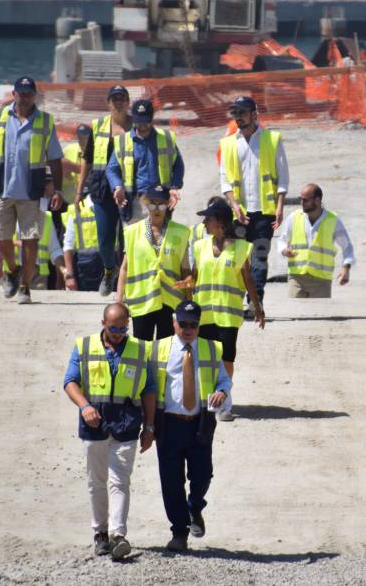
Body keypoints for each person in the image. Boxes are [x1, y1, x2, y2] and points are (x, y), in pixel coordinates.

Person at [63, 302, 156, 560]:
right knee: (96, 482)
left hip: (126, 423)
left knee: (120, 481)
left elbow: (149, 390)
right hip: (95, 423)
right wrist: (84, 406)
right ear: (103, 323)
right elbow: (70, 382)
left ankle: (118, 535)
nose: (118, 333)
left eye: (123, 328)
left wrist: (150, 427)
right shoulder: (83, 347)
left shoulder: (140, 350)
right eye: (113, 327)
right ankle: (100, 534)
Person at [0, 76, 64, 304]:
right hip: (2, 189)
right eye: (20, 93)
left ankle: (25, 286)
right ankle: (12, 270)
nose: (24, 97)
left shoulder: (44, 122)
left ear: (35, 96)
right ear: (13, 94)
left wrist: (58, 191)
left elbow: (55, 159)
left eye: (28, 93)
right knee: (1, 236)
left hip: (31, 192)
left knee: (30, 239)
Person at [150, 300, 231, 552]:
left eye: (193, 325)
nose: (187, 329)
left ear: (199, 325)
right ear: (174, 323)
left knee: (203, 473)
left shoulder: (210, 349)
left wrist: (221, 391)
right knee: (171, 481)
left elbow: (224, 380)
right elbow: (147, 387)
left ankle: (195, 506)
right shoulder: (157, 349)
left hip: (200, 424)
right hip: (169, 424)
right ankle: (179, 532)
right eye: (183, 324)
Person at [176, 198, 264, 422]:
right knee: (204, 358)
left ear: (222, 223)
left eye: (209, 219)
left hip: (228, 314)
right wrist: (186, 286)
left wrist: (257, 306)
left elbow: (248, 279)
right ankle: (205, 401)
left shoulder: (242, 248)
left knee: (225, 359)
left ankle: (224, 402)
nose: (204, 223)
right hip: (204, 314)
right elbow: (194, 276)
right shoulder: (200, 246)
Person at [218, 96, 289, 315]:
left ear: (254, 114)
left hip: (264, 213)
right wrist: (234, 204)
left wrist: (279, 207)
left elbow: (283, 176)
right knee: (238, 258)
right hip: (238, 214)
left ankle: (255, 301)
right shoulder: (228, 144)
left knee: (259, 257)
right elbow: (225, 180)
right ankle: (236, 300)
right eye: (235, 113)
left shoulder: (272, 139)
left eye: (242, 112)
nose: (238, 117)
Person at [76, 86, 133, 297]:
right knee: (105, 239)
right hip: (101, 190)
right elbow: (88, 158)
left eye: (122, 98)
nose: (118, 102)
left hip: (128, 190)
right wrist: (80, 189)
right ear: (108, 103)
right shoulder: (98, 126)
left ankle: (126, 283)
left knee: (127, 240)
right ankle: (110, 270)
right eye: (114, 99)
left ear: (128, 102)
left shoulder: (137, 126)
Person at [115, 185, 190, 340]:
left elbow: (185, 270)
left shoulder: (181, 232)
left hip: (170, 302)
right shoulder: (132, 232)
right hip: (142, 302)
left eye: (161, 204)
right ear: (145, 204)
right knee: (142, 351)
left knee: (165, 352)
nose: (156, 209)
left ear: (168, 204)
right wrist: (119, 300)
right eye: (152, 204)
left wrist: (189, 302)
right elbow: (124, 268)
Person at [106, 98, 184, 229]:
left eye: (145, 122)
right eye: (139, 123)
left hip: (160, 199)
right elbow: (111, 169)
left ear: (151, 119)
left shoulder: (166, 138)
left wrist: (174, 186)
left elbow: (178, 164)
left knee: (159, 239)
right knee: (137, 242)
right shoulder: (122, 141)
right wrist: (117, 186)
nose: (142, 126)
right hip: (135, 201)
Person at [278, 183, 355, 298]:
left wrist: (346, 268)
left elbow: (347, 247)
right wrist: (284, 250)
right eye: (300, 199)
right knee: (295, 314)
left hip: (321, 281)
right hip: (297, 278)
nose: (302, 203)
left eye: (305, 200)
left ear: (317, 200)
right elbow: (282, 240)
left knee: (321, 314)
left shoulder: (332, 220)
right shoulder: (294, 217)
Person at [63, 194, 103, 292]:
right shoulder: (76, 208)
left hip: (110, 265)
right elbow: (68, 244)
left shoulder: (112, 206)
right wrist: (70, 276)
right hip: (86, 266)